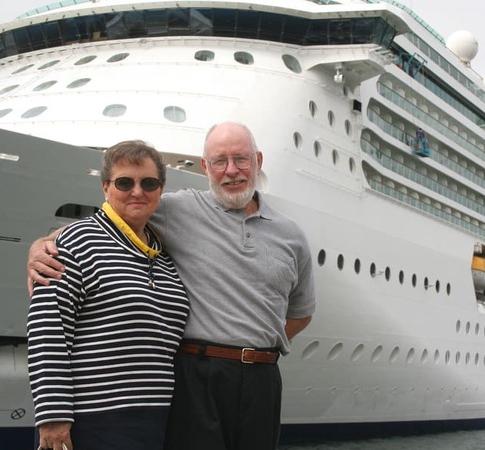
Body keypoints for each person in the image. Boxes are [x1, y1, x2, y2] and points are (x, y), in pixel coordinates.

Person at [28, 122, 316, 450]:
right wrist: (43, 245)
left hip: (258, 380)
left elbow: (302, 313)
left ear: (258, 161)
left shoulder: (291, 234)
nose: (231, 170)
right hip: (193, 377)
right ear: (205, 166)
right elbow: (112, 220)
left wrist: (257, 343)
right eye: (220, 161)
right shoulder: (176, 209)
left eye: (241, 159)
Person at [27, 140, 190, 450]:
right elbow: (48, 329)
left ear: (161, 189)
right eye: (124, 182)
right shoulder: (76, 242)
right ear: (105, 187)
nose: (137, 192)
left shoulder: (163, 257)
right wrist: (53, 416)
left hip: (153, 422)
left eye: (149, 183)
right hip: (90, 422)